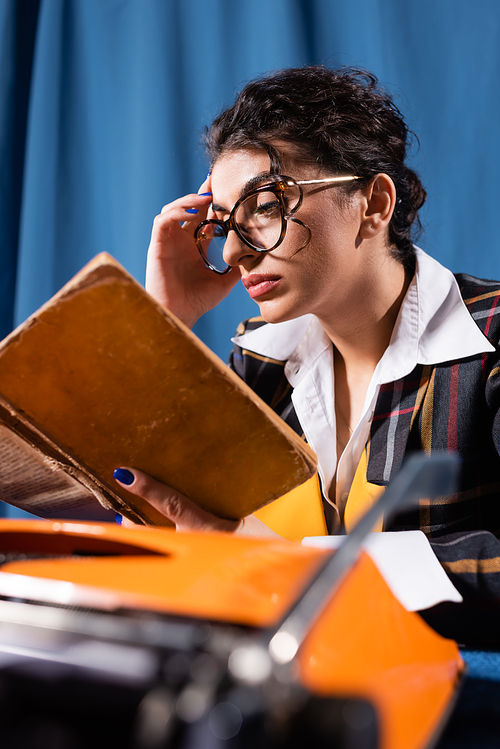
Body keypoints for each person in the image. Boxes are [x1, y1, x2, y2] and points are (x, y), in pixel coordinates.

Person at [113, 66, 500, 601]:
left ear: (374, 205)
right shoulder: (259, 363)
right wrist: (164, 320)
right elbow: (151, 506)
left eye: (266, 207)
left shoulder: (490, 342)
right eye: (225, 224)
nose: (231, 252)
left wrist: (291, 567)